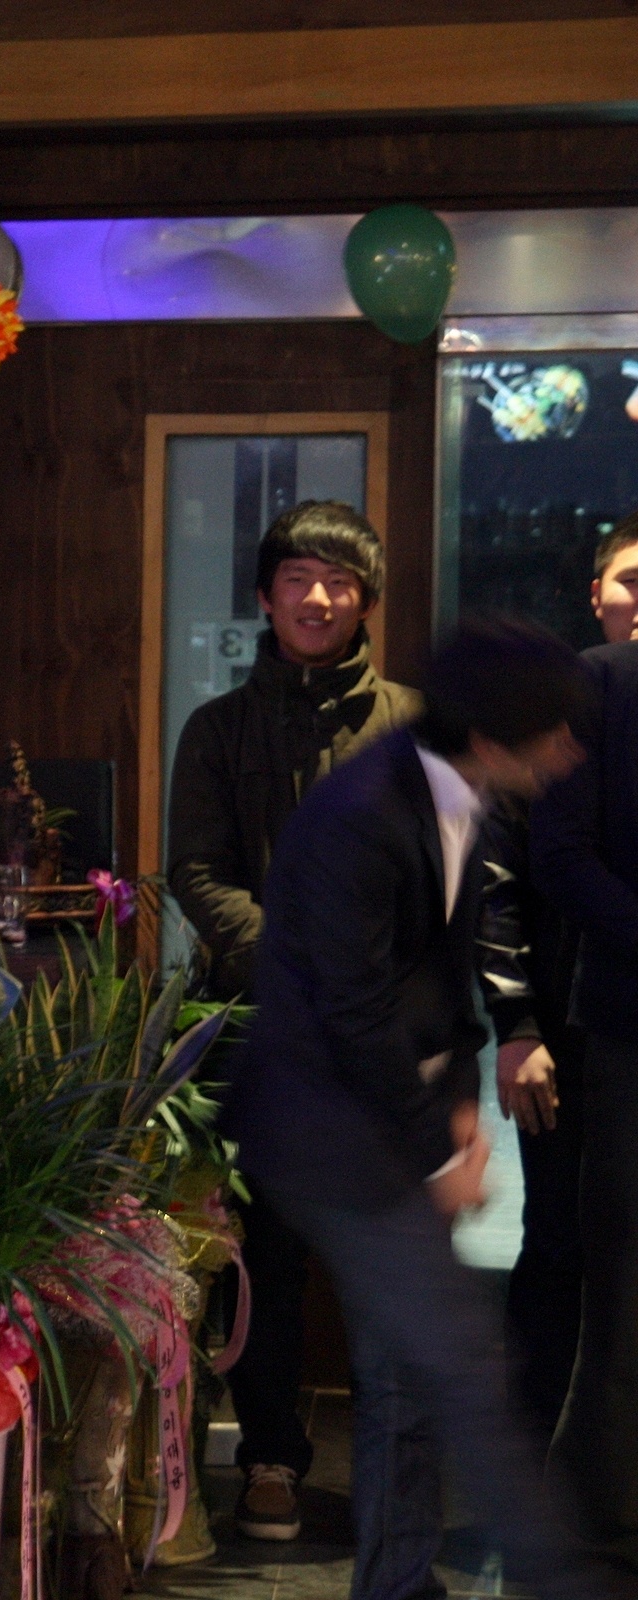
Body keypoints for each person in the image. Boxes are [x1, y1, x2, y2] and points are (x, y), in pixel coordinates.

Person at [225, 616, 597, 1600]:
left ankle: (397, 1584)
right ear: (491, 738)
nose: (568, 750)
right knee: (460, 1372)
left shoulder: (453, 788)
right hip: (325, 1126)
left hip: (385, 1111)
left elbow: (436, 968)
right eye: (554, 732)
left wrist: (460, 1097)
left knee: (420, 1378)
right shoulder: (363, 812)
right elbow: (354, 1011)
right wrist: (439, 1150)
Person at [165, 500, 418, 1541]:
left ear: (366, 600)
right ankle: (269, 1456)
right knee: (262, 1255)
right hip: (260, 1029)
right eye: (298, 578)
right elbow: (197, 873)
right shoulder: (218, 730)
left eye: (339, 580)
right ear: (266, 597)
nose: (318, 598)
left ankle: (397, 1477)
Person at [478, 515, 638, 1440]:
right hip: (561, 1028)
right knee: (558, 1241)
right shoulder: (550, 715)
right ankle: (530, 1457)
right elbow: (497, 882)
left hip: (623, 1020)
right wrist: (518, 1027)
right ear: (596, 595)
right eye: (631, 582)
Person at [533, 521, 638, 1572]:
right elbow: (557, 856)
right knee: (620, 1272)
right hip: (623, 1020)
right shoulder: (599, 681)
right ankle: (601, 1507)